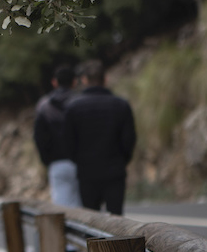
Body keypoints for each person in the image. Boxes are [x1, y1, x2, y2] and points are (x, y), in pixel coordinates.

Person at [63, 59, 136, 215]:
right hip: (115, 170)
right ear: (105, 79)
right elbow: (129, 140)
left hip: (86, 172)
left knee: (91, 221)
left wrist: (79, 160)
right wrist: (121, 160)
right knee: (117, 220)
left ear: (84, 80)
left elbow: (68, 143)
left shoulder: (73, 108)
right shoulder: (121, 105)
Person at [33, 64, 81, 207]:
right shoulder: (81, 102)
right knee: (85, 208)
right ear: (75, 81)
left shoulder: (44, 106)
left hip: (57, 162)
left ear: (54, 82)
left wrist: (46, 159)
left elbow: (39, 137)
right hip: (82, 161)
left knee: (61, 206)